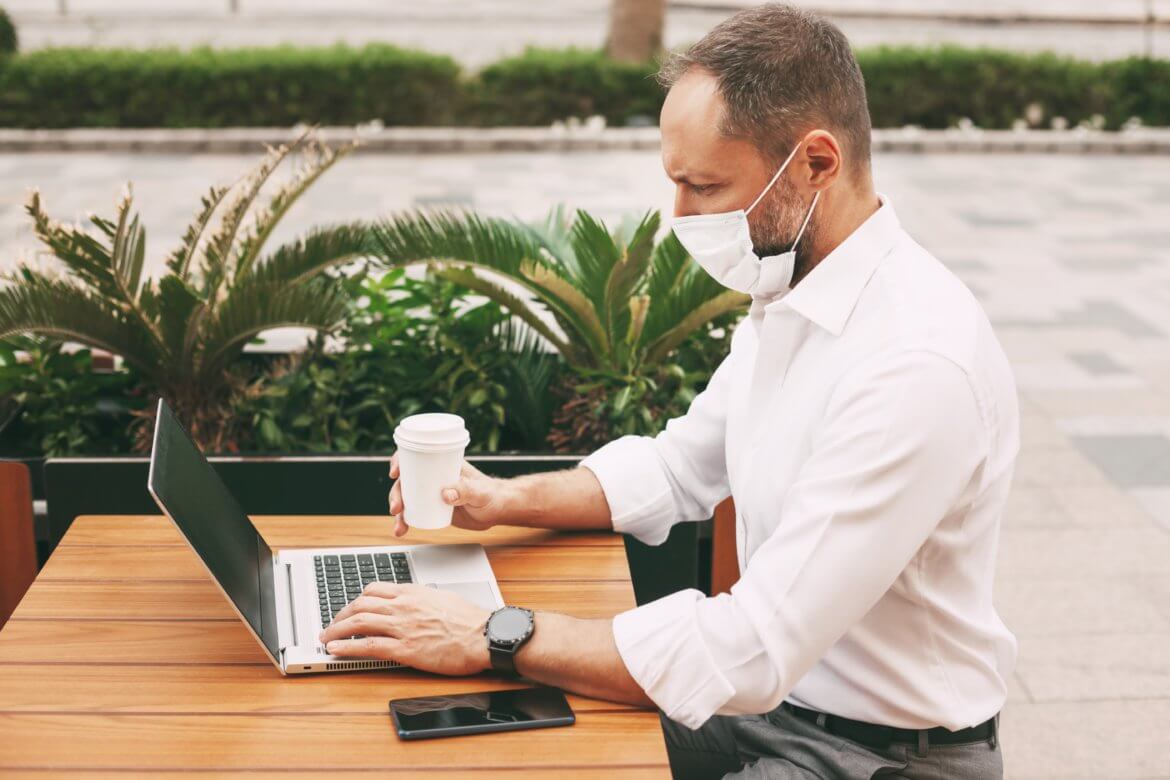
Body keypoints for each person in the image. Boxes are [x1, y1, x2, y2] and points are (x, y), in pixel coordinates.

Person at [320, 4, 1017, 778]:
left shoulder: (914, 365)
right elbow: (678, 468)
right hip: (772, 714)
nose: (680, 217)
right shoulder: (792, 296)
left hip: (879, 755)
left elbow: (749, 647)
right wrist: (503, 501)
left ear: (817, 162)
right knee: (472, 744)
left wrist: (492, 633)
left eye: (705, 186)